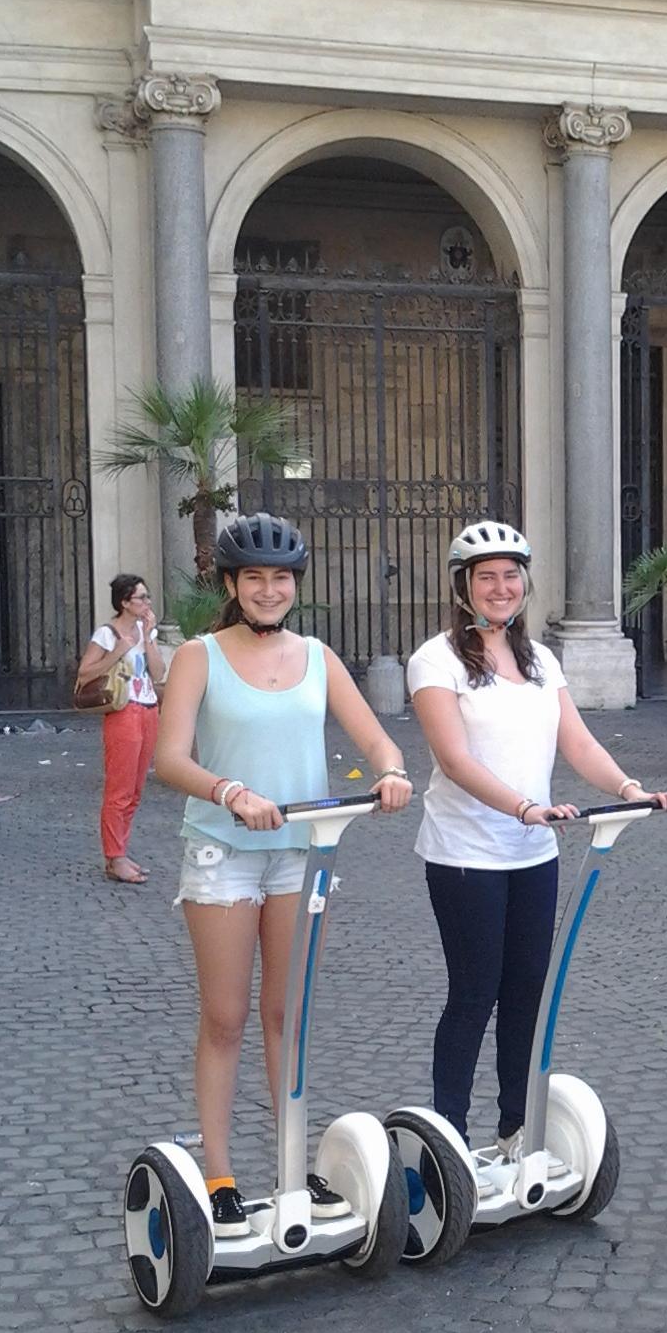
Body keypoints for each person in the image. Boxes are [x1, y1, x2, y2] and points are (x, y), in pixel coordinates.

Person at [154, 512, 413, 1237]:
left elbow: (375, 737)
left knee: (286, 1015)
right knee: (227, 1016)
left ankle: (292, 1165)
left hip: (302, 851)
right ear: (232, 584)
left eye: (281, 578)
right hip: (224, 851)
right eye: (255, 578)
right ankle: (218, 1173)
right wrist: (231, 792)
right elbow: (170, 758)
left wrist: (391, 772)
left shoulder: (319, 657)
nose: (270, 590)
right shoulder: (200, 657)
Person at [408, 520, 667, 1155]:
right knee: (475, 994)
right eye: (486, 577)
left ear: (524, 585)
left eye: (510, 576)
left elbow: (578, 741)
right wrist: (523, 806)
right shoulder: (436, 660)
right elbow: (453, 759)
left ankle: (515, 1125)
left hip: (534, 854)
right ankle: (446, 1136)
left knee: (527, 993)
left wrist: (628, 789)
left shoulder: (539, 658)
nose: (500, 588)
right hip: (464, 854)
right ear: (463, 587)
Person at [76, 573, 166, 883]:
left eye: (147, 597)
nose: (147, 602)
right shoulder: (107, 634)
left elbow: (158, 672)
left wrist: (149, 637)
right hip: (122, 710)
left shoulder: (145, 632)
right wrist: (117, 652)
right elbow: (85, 673)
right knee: (120, 788)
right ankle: (114, 857)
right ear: (125, 602)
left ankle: (121, 852)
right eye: (141, 598)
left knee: (136, 789)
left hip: (148, 708)